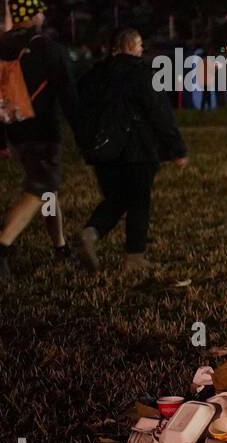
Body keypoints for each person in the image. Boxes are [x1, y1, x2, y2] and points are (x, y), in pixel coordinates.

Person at [74, 28, 188, 273]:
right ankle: (134, 257)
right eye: (139, 47)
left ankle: (90, 233)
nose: (141, 51)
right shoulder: (143, 74)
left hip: (104, 152)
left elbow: (79, 111)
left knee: (116, 199)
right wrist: (176, 148)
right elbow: (160, 114)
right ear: (130, 46)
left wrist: (85, 143)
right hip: (138, 150)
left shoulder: (94, 75)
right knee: (138, 202)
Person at [0, 0, 79, 278]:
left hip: (14, 128)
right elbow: (69, 96)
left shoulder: (2, 47)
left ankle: (60, 247)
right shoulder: (48, 48)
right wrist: (84, 134)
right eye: (40, 12)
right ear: (33, 16)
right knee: (41, 185)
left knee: (48, 189)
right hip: (43, 130)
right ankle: (3, 243)